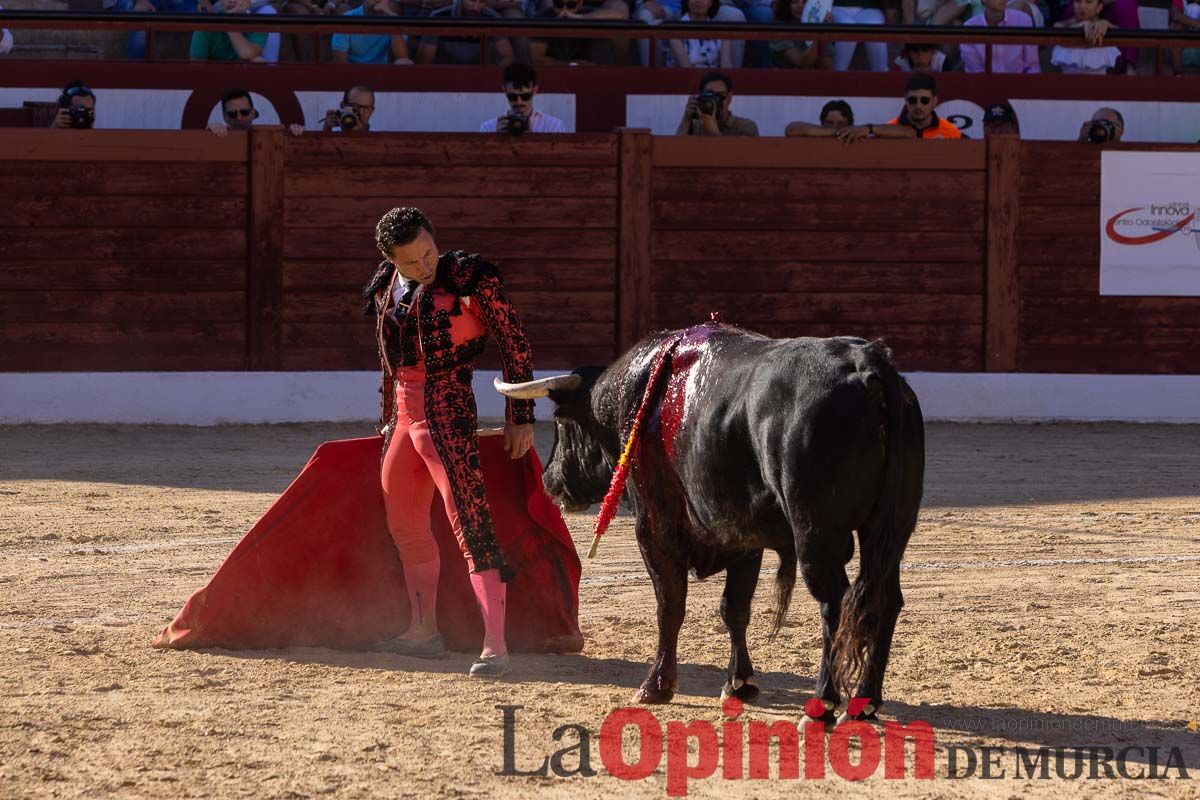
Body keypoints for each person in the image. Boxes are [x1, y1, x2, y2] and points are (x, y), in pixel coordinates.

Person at [363, 207, 537, 678]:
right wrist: (385, 421)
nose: (426, 265)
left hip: (449, 408)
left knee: (471, 522)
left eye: (429, 253)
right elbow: (387, 362)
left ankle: (495, 646)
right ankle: (423, 632)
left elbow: (513, 340)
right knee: (404, 524)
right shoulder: (384, 287)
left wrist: (520, 415)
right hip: (403, 417)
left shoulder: (469, 278)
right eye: (413, 261)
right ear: (391, 260)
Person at [417, 0, 515, 65]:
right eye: (471, 1)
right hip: (445, 77)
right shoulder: (439, 17)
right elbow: (424, 61)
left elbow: (508, 57)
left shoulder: (492, 18)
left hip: (479, 77)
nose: (475, 7)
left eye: (481, 2)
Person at [480, 63, 567, 134]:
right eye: (512, 97)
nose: (519, 102)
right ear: (504, 91)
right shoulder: (489, 127)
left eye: (525, 96)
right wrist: (495, 139)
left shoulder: (554, 126)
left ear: (535, 90)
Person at [962, 0, 1040, 73]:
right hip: (985, 85)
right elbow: (976, 73)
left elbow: (1033, 66)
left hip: (1020, 84)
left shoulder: (1024, 20)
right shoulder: (969, 29)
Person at [675, 71, 758, 137]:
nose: (715, 100)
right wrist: (686, 119)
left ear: (729, 97)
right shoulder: (695, 126)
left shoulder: (745, 126)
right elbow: (675, 152)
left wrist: (712, 131)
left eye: (720, 95)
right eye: (709, 95)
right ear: (700, 96)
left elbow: (740, 156)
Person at [330, 0, 413, 65]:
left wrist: (392, 21)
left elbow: (402, 57)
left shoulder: (392, 18)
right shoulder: (347, 18)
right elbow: (339, 61)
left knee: (405, 62)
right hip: (352, 73)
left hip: (380, 73)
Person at [886, 73, 963, 139]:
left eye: (924, 100)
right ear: (905, 99)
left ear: (934, 101)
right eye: (913, 100)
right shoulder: (889, 131)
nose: (918, 106)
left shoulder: (951, 133)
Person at [1051, 0, 1119, 74]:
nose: (1082, 6)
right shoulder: (1064, 25)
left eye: (1088, 2)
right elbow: (1057, 27)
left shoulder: (1105, 26)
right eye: (1078, 1)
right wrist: (1078, 27)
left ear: (1099, 7)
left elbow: (1119, 33)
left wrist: (1106, 25)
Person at [189, 0, 268, 62]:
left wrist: (229, 23)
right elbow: (196, 66)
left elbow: (247, 54)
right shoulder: (206, 26)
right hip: (212, 78)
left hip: (242, 79)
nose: (231, 0)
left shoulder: (258, 24)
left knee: (258, 61)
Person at [208, 88, 305, 137]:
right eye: (232, 114)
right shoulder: (216, 133)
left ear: (253, 113)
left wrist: (294, 132)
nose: (239, 118)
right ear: (224, 116)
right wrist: (209, 133)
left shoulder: (267, 136)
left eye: (244, 112)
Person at [666, 0, 734, 69]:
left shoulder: (722, 31)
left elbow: (726, 66)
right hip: (686, 77)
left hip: (716, 78)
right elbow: (686, 67)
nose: (698, 1)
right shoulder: (675, 31)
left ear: (711, 3)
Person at [769, 0, 831, 69]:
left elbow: (827, 65)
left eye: (805, 2)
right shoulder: (779, 28)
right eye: (795, 2)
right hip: (787, 78)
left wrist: (824, 31)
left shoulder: (821, 25)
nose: (800, 6)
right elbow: (802, 64)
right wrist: (820, 35)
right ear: (786, 5)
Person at [830, 0, 888, 72]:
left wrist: (892, 7)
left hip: (869, 8)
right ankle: (837, 76)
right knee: (847, 28)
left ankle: (882, 78)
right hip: (835, 7)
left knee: (874, 27)